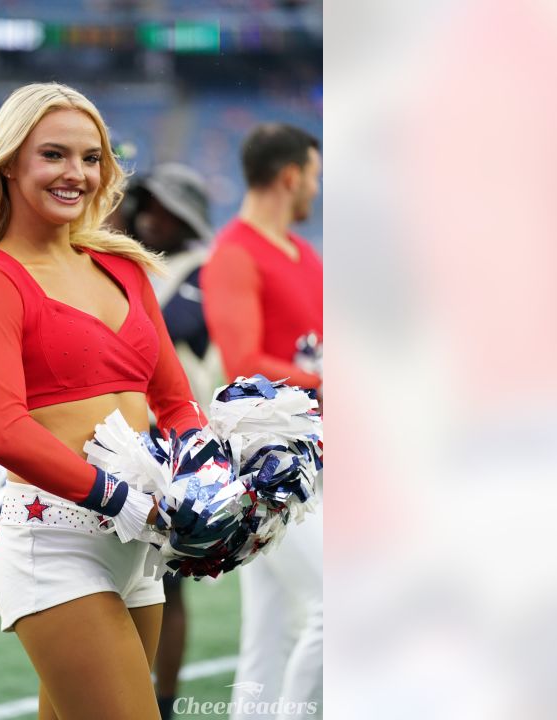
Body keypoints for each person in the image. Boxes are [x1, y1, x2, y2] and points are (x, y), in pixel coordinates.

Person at [0, 82, 211, 720]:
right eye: (55, 155)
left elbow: (174, 399)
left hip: (142, 549)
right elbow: (4, 431)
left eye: (91, 158)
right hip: (57, 544)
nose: (77, 174)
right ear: (10, 162)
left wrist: (208, 479)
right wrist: (122, 500)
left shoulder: (122, 266)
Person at [200, 124, 323, 719]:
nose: (316, 192)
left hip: (316, 457)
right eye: (315, 178)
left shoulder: (307, 257)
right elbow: (243, 363)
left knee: (267, 631)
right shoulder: (234, 254)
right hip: (268, 466)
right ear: (291, 176)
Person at [125, 163, 223, 720]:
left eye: (162, 207)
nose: (149, 216)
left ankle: (162, 701)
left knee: (167, 584)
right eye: (146, 206)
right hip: (127, 441)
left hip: (180, 444)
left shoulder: (209, 272)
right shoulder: (133, 266)